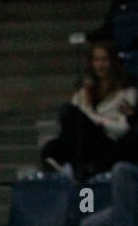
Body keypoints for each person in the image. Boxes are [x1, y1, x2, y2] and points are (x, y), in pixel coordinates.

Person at [41, 42, 137, 181]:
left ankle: (77, 170)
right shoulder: (84, 91)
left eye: (104, 59)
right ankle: (72, 170)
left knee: (70, 114)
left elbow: (122, 129)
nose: (100, 64)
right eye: (96, 60)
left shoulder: (127, 91)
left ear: (113, 62)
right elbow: (72, 120)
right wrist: (90, 109)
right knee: (51, 147)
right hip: (82, 141)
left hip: (108, 143)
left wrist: (96, 120)